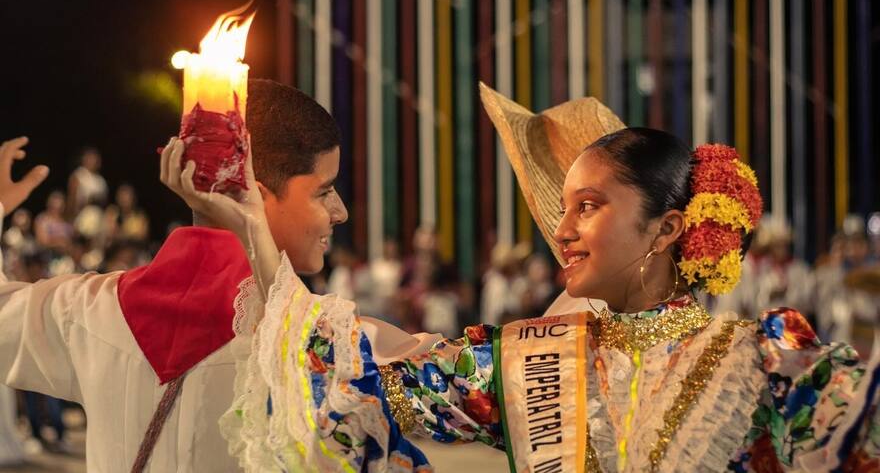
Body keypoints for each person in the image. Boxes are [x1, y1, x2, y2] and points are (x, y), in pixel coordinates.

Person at [187, 85, 880, 472]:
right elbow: (350, 366)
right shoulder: (521, 358)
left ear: (666, 230)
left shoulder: (765, 359)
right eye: (562, 207)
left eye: (589, 206)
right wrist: (251, 228)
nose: (562, 229)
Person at [0, 80, 363, 472]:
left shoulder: (89, 309)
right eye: (323, 190)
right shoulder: (326, 342)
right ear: (255, 196)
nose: (340, 211)